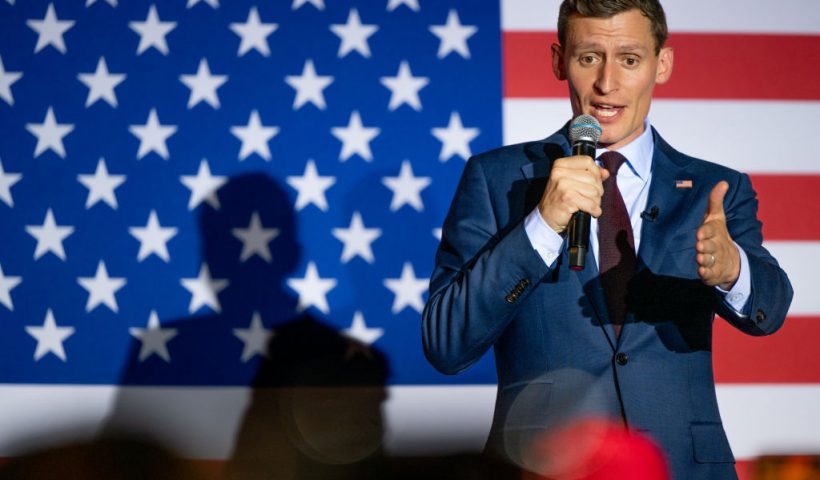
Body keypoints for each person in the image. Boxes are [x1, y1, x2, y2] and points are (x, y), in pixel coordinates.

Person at [421, 1, 793, 479]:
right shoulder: (496, 181)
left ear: (663, 64)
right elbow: (445, 343)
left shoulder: (713, 190)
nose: (607, 83)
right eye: (589, 57)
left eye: (630, 59)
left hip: (682, 468)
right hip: (543, 467)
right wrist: (541, 225)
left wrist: (733, 270)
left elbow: (772, 312)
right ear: (559, 61)